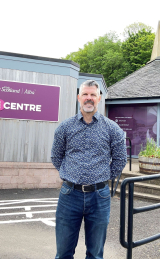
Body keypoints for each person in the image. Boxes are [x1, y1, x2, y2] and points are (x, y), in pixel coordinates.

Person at [51, 80, 127, 259]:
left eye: (93, 95)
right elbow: (56, 156)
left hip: (99, 197)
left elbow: (120, 159)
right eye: (85, 94)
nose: (89, 98)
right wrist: (69, 173)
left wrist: (101, 177)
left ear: (99, 98)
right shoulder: (65, 127)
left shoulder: (112, 128)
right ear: (79, 97)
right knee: (63, 253)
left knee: (95, 253)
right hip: (69, 195)